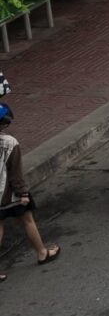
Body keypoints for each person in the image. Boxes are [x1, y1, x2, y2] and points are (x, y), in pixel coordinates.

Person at [0, 95, 55, 275]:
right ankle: (42, 252)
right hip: (9, 193)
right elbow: (15, 173)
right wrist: (23, 194)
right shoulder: (10, 143)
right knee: (27, 220)